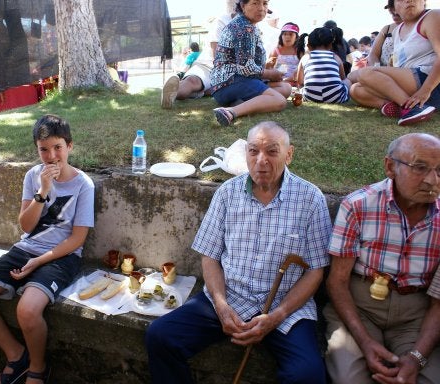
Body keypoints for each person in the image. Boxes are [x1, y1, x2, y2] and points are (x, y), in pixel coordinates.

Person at [146, 121, 333, 384]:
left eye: (272, 151)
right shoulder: (227, 193)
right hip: (230, 297)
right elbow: (209, 256)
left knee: (307, 375)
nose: (261, 161)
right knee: (160, 336)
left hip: (284, 308)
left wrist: (276, 316)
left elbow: (316, 271)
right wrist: (221, 307)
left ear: (289, 154)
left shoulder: (310, 199)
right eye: (253, 151)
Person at [0, 114, 95, 384]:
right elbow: (26, 225)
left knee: (28, 310)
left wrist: (40, 261)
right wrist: (43, 191)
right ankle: (16, 355)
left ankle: (38, 368)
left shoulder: (83, 185)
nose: (51, 155)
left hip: (61, 257)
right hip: (24, 249)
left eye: (57, 147)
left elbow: (77, 239)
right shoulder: (33, 176)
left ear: (70, 147)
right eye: (43, 149)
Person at [324, 132, 440, 384]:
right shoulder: (358, 206)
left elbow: (439, 303)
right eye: (420, 168)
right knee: (349, 378)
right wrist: (365, 342)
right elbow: (337, 281)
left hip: (418, 314)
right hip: (359, 308)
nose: (432, 180)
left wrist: (417, 357)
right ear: (390, 167)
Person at [350, 1, 439, 126]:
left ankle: (413, 108)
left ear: (424, 1)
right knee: (356, 90)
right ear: (394, 7)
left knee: (366, 73)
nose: (409, 0)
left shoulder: (432, 16)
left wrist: (425, 90)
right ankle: (403, 106)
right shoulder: (397, 31)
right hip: (410, 83)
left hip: (430, 83)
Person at [211, 0, 291, 127]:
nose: (261, 8)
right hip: (230, 81)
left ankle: (240, 103)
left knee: (286, 88)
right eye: (255, 3)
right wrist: (270, 73)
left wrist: (266, 68)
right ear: (243, 6)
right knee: (280, 101)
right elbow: (246, 69)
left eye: (265, 3)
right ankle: (230, 112)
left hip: (230, 83)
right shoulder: (244, 28)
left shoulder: (248, 25)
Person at [161, 0, 236, 109]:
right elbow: (218, 56)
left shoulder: (254, 27)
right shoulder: (222, 20)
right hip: (209, 65)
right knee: (192, 82)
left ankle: (196, 91)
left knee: (193, 88)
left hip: (231, 72)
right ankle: (171, 93)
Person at [295, 27, 350, 104]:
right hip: (336, 97)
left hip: (310, 97)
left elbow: (300, 81)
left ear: (309, 46)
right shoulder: (335, 57)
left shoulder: (306, 57)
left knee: (301, 87)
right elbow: (343, 78)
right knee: (347, 81)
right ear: (331, 45)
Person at [367, 0, 402, 68]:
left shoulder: (417, 27)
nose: (394, 16)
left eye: (397, 14)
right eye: (392, 13)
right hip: (383, 72)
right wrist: (377, 69)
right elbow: (373, 54)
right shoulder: (387, 29)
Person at [266, 22, 300, 86]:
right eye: (284, 34)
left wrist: (290, 79)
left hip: (297, 83)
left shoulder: (300, 51)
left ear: (296, 37)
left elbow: (303, 70)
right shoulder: (275, 51)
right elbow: (269, 69)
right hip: (279, 83)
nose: (287, 36)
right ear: (281, 36)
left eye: (291, 34)